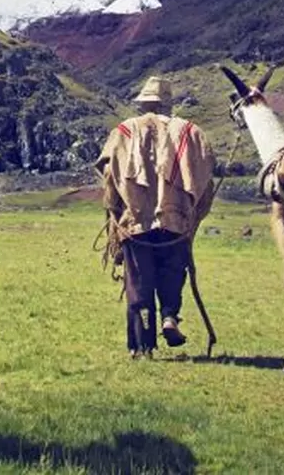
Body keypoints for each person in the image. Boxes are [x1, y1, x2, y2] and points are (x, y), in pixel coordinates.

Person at [95, 76, 216, 359]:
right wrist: (192, 215)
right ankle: (170, 317)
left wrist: (116, 214)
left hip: (136, 223)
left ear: (143, 103)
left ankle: (142, 345)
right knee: (173, 274)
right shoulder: (190, 133)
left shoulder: (124, 131)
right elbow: (205, 177)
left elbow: (109, 176)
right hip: (175, 223)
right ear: (167, 102)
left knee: (139, 282)